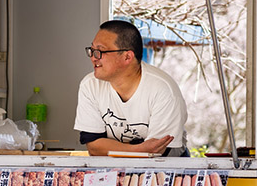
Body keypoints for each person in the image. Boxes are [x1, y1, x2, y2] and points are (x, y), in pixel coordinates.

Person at [74, 20, 187, 156]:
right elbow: (94, 147)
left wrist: (114, 147)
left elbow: (157, 151)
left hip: (166, 168)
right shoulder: (90, 85)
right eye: (92, 50)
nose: (93, 57)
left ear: (127, 56)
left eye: (100, 51)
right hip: (115, 168)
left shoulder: (163, 89)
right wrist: (138, 149)